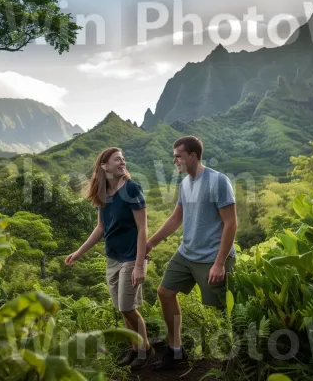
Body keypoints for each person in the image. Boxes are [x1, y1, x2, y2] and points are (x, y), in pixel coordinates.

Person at [146, 136, 238, 371]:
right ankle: (176, 351)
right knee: (165, 292)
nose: (174, 160)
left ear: (193, 156)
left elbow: (231, 224)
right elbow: (176, 218)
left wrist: (219, 263)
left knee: (223, 310)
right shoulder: (185, 183)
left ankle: (236, 357)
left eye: (178, 155)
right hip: (186, 253)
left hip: (212, 257)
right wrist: (151, 243)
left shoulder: (218, 181)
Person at [64, 147, 155, 370]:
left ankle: (146, 350)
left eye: (123, 158)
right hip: (113, 257)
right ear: (104, 166)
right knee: (122, 307)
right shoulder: (103, 193)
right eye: (117, 159)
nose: (122, 162)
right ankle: (134, 348)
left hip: (132, 257)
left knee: (127, 307)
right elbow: (101, 227)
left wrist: (140, 264)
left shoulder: (132, 188)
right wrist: (79, 252)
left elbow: (143, 229)